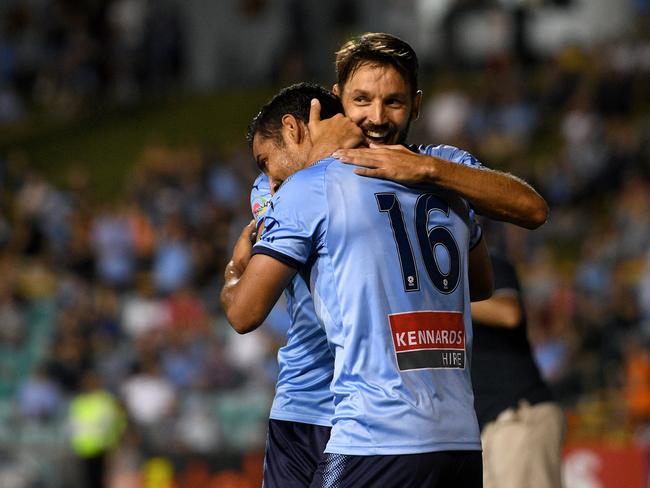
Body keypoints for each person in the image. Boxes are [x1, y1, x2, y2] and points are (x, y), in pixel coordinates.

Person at [243, 32, 549, 487]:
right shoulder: (443, 169)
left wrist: (426, 169)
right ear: (337, 100)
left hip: (378, 436)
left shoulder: (422, 168)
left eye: (395, 102)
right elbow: (482, 282)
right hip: (442, 439)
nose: (377, 117)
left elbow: (531, 212)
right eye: (362, 100)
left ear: (418, 105)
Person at [222, 81, 493, 487]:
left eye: (265, 161)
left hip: (373, 414)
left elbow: (243, 309)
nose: (267, 179)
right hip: (313, 405)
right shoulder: (279, 188)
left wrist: (233, 275)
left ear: (294, 130)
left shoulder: (401, 173)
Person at [471, 245, 564, 488]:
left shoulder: (482, 263)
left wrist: (443, 296)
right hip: (485, 425)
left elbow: (508, 313)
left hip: (517, 412)